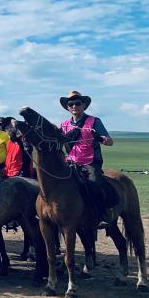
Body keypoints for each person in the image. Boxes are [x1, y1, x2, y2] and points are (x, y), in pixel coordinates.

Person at [58, 90, 114, 218]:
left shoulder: (94, 121)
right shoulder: (64, 125)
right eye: (71, 103)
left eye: (77, 103)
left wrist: (103, 139)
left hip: (90, 162)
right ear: (67, 107)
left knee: (94, 182)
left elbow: (110, 142)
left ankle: (102, 213)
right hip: (70, 161)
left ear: (83, 105)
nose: (74, 106)